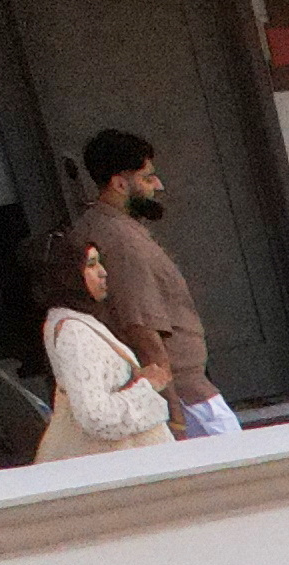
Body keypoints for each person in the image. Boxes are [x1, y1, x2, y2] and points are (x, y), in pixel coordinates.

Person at [71, 129, 238, 440]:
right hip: (187, 394)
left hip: (184, 387)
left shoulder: (110, 227)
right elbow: (141, 326)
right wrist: (174, 413)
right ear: (120, 183)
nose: (158, 185)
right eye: (147, 178)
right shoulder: (121, 242)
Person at [26, 231, 170, 463]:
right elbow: (95, 417)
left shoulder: (75, 322)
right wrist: (147, 386)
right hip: (118, 466)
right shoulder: (74, 332)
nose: (103, 272)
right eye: (91, 265)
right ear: (67, 275)